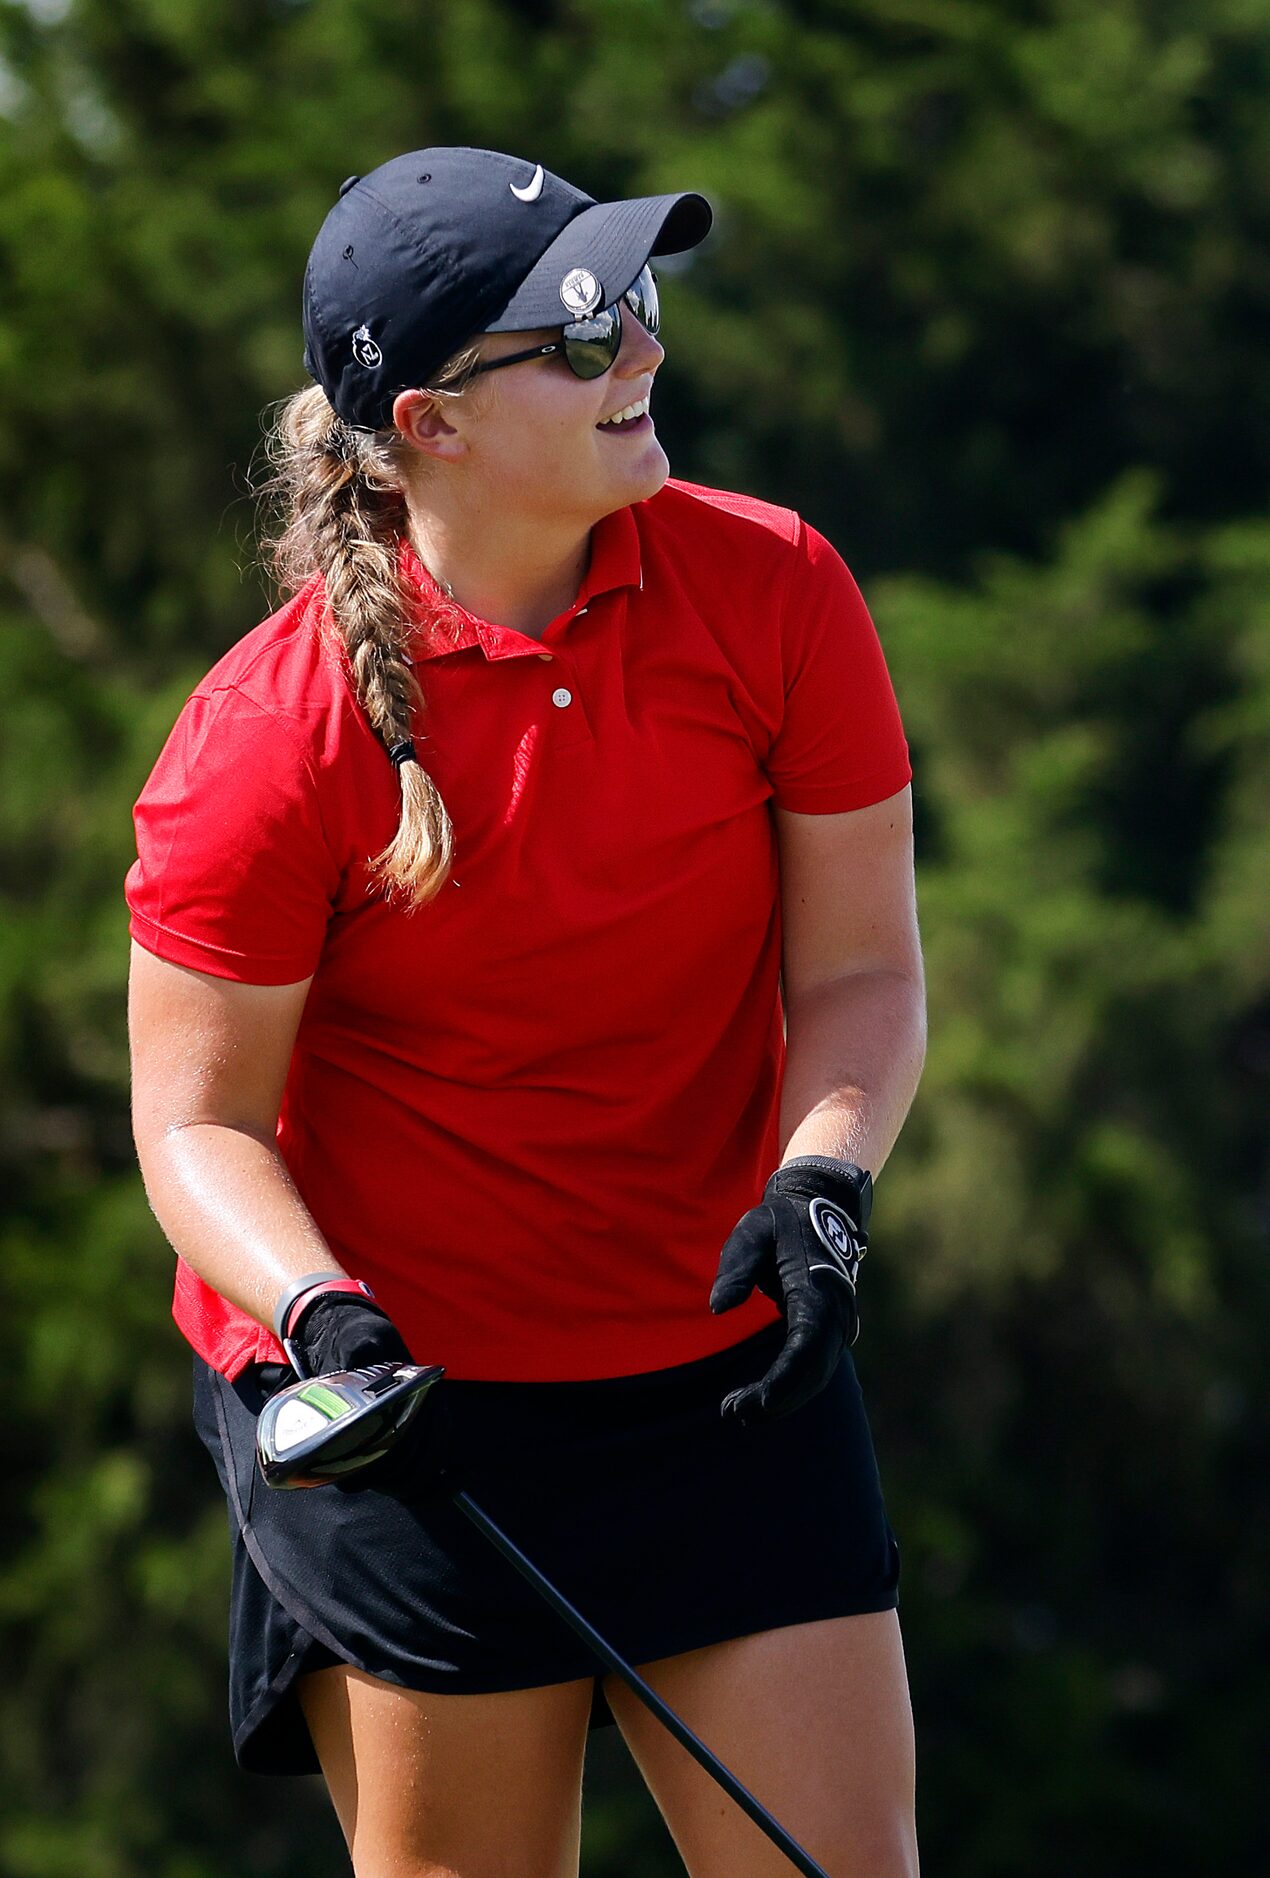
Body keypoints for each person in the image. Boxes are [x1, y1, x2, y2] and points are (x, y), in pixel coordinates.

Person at [126, 147, 925, 1878]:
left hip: (722, 1375)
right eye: (576, 334)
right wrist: (324, 1316)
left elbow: (860, 971)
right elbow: (197, 1125)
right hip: (414, 1417)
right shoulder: (268, 740)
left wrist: (823, 1179)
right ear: (429, 421)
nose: (639, 353)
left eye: (634, 304)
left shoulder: (776, 589)